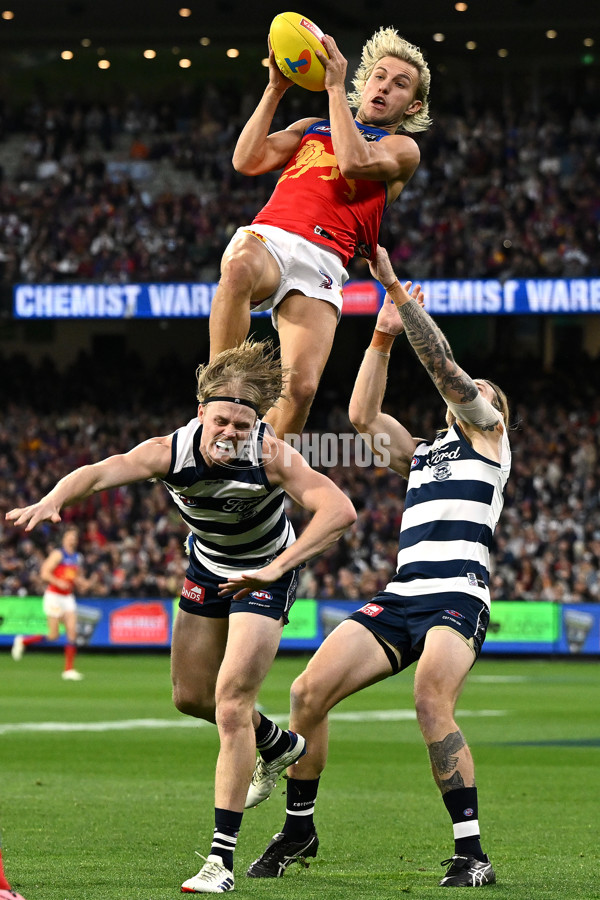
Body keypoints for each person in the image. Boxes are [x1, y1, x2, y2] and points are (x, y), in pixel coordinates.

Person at [5, 340, 356, 895]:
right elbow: (97, 473)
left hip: (265, 572)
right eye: (222, 421)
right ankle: (277, 743)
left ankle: (220, 861)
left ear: (256, 425)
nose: (231, 433)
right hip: (207, 567)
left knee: (231, 702)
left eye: (242, 425)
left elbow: (339, 509)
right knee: (191, 697)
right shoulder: (168, 452)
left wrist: (276, 567)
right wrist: (54, 498)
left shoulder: (272, 456)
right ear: (201, 414)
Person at [239, 247, 511, 888]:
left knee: (430, 700)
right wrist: (382, 337)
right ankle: (298, 830)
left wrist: (394, 288)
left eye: (483, 390)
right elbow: (362, 417)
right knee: (307, 693)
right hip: (403, 595)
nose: (471, 390)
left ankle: (472, 852)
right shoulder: (422, 453)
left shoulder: (490, 439)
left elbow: (446, 370)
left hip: (457, 596)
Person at [209, 26, 431, 438]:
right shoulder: (312, 126)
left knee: (301, 389)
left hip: (326, 258)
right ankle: (218, 400)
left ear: (413, 106)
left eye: (400, 84)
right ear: (365, 83)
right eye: (379, 76)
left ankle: (256, 467)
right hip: (273, 235)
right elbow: (246, 160)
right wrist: (275, 89)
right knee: (238, 266)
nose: (384, 86)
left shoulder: (403, 149)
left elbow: (353, 162)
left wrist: (334, 90)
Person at [11, 525, 88, 680]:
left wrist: (82, 583)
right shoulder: (58, 554)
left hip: (68, 597)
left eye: (75, 537)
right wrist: (58, 582)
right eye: (70, 536)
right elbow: (44, 573)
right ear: (64, 538)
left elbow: (75, 576)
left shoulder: (77, 557)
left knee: (72, 632)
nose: (72, 539)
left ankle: (68, 670)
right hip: (54, 596)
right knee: (53, 636)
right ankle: (23, 641)